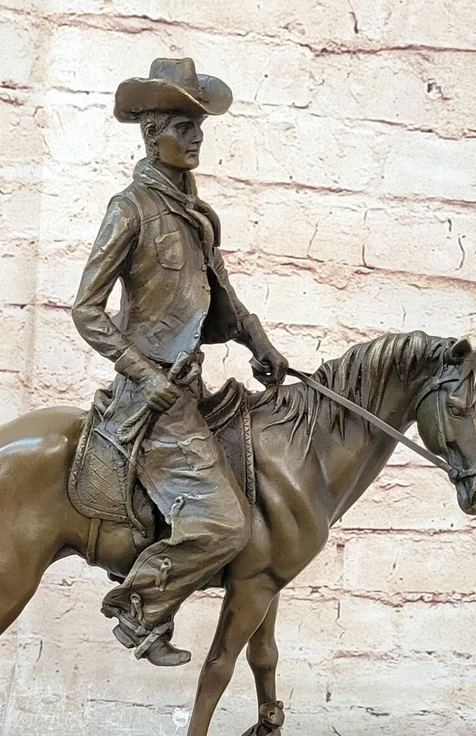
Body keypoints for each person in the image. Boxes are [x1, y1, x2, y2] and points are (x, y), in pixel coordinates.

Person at [72, 58, 288, 666]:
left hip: (191, 386)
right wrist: (143, 375)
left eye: (199, 127)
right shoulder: (131, 209)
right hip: (155, 401)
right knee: (226, 525)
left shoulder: (196, 214)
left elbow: (222, 293)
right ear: (151, 133)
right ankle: (139, 608)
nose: (196, 138)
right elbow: (86, 310)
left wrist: (259, 342)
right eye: (183, 127)